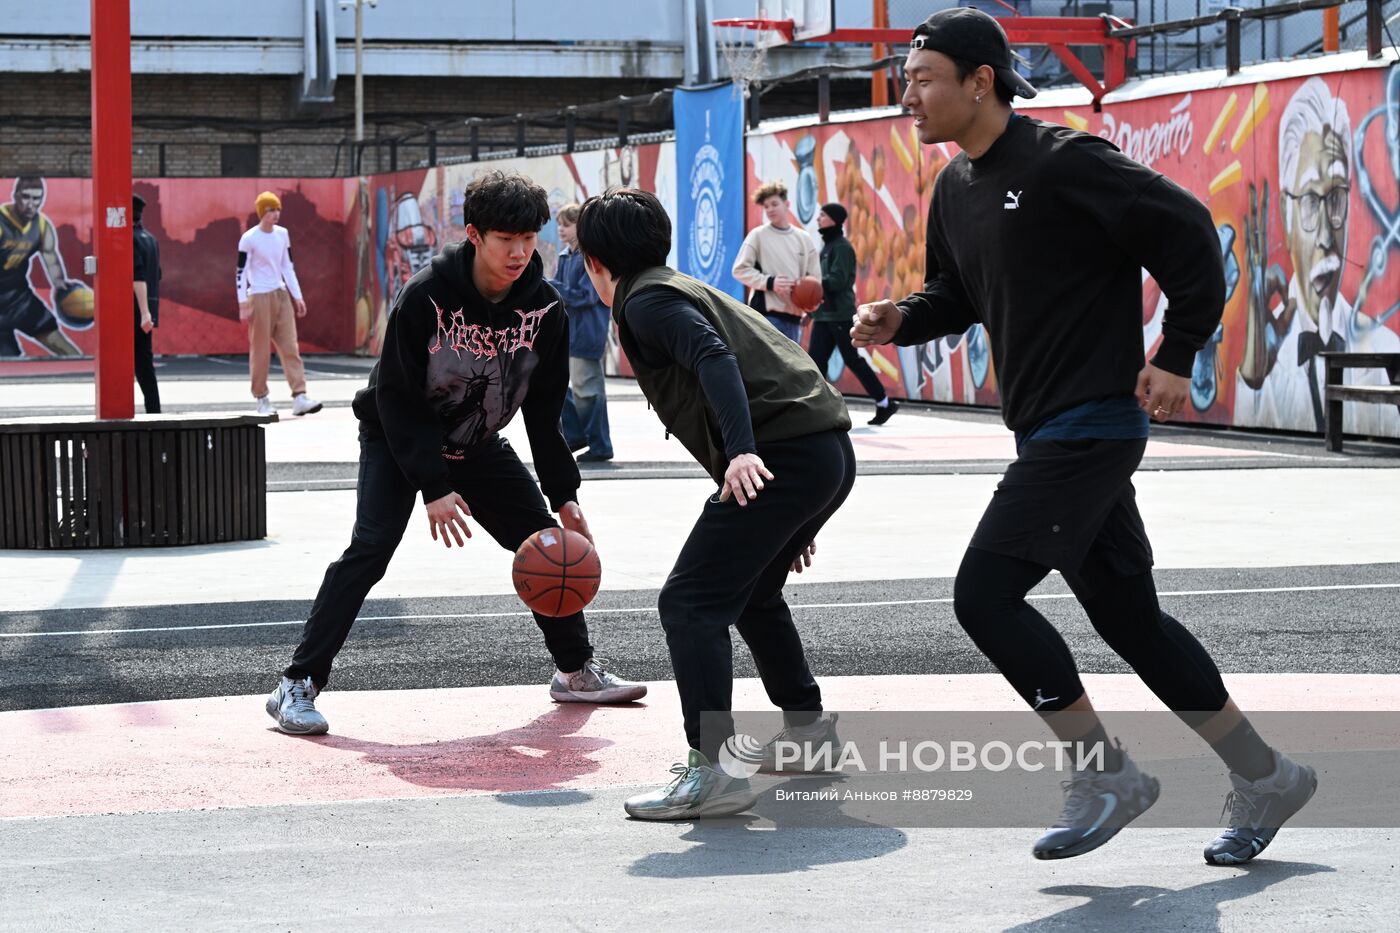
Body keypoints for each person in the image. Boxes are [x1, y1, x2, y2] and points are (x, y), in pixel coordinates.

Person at [852, 8, 1315, 864]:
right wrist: (901, 317)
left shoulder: (1067, 161)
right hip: (1046, 431)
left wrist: (1177, 352)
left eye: (922, 79)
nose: (907, 96)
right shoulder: (955, 188)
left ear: (981, 81)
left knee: (983, 596)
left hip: (1093, 425)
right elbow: (956, 291)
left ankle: (1104, 774)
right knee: (1130, 620)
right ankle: (1269, 774)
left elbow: (1190, 240)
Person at [264, 171, 646, 736]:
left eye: (528, 238)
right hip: (397, 438)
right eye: (505, 239)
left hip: (478, 442)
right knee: (370, 549)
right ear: (474, 234)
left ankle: (574, 671)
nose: (519, 252)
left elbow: (545, 413)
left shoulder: (546, 310)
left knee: (546, 545)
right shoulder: (426, 295)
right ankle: (296, 684)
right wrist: (433, 484)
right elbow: (395, 396)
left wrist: (565, 495)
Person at [576, 187, 854, 820]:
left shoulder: (646, 301)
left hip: (784, 457)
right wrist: (795, 503)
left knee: (689, 602)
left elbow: (713, 357)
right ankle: (809, 736)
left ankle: (714, 771)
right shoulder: (676, 286)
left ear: (595, 262)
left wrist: (742, 452)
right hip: (822, 453)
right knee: (752, 593)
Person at [1234, 77, 1400, 437]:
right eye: (1310, 201)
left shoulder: (1388, 351)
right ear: (1285, 212)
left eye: (1337, 198)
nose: (1327, 234)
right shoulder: (1261, 363)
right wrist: (1252, 381)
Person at [807, 201, 898, 425]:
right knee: (815, 363)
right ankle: (816, 411)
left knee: (852, 359)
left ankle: (885, 402)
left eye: (823, 215)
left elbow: (837, 281)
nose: (818, 219)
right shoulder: (828, 246)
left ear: (835, 220)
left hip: (839, 314)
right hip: (823, 314)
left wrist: (811, 284)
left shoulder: (842, 247)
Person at [236, 191, 322, 417]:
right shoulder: (249, 238)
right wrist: (242, 301)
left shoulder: (283, 234)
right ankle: (262, 398)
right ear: (261, 213)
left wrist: (297, 296)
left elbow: (287, 266)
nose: (275, 214)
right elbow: (240, 271)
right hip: (259, 296)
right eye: (270, 210)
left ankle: (300, 396)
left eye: (277, 209)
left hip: (280, 294)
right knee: (260, 350)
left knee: (290, 346)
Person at [550, 203, 614, 462]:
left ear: (581, 225)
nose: (561, 230)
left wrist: (553, 287)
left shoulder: (591, 256)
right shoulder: (566, 255)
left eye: (566, 224)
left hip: (587, 332)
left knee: (588, 391)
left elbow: (587, 296)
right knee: (565, 387)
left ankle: (598, 444)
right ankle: (579, 434)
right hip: (570, 332)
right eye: (559, 225)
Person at [0, 175, 82, 358]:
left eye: (36, 198)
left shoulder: (42, 225)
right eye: (26, 197)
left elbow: (51, 258)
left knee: (66, 350)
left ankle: (86, 378)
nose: (31, 203)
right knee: (9, 360)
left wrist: (60, 283)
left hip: (19, 297)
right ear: (16, 195)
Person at [732, 181, 821, 343]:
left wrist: (813, 301)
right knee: (766, 367)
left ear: (787, 204)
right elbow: (739, 269)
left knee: (792, 368)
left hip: (794, 318)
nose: (770, 209)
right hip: (765, 316)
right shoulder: (758, 235)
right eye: (766, 206)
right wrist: (770, 282)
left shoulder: (803, 239)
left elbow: (815, 278)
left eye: (774, 204)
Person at [131, 194, 161, 414]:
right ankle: (154, 411)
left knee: (131, 364)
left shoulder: (129, 239)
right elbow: (157, 275)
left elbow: (137, 276)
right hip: (149, 309)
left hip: (134, 311)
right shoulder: (151, 239)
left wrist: (143, 312)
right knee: (145, 367)